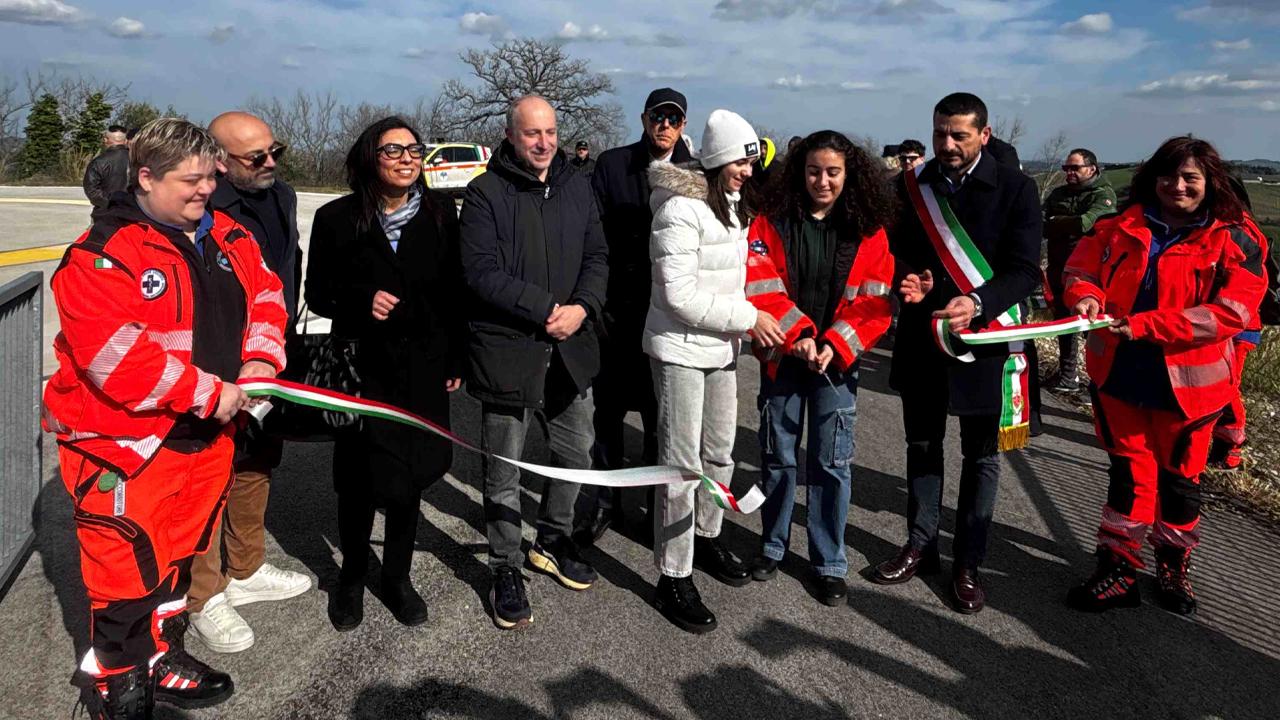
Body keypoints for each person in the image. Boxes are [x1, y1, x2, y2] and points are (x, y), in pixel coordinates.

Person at [44, 118, 288, 718]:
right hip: (126, 448)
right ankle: (116, 682)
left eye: (212, 176)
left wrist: (258, 365)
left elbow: (268, 298)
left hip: (203, 443)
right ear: (145, 177)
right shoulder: (102, 256)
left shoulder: (229, 236)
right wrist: (213, 394)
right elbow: (117, 359)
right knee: (124, 574)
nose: (206, 189)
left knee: (175, 564)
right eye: (191, 179)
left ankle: (157, 655)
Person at [1063, 136, 1267, 616]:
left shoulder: (1238, 238)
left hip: (1192, 387)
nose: (1177, 186)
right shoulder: (1117, 227)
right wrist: (1085, 296)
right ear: (1151, 180)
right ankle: (1117, 568)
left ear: (1210, 182)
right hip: (1119, 372)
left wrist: (1144, 325)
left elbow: (1230, 314)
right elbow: (1077, 269)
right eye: (1168, 176)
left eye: (1190, 178)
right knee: (1129, 476)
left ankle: (1173, 563)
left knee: (1179, 481)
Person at [871, 93, 1042, 615]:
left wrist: (977, 301)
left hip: (987, 342)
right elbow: (896, 251)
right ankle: (921, 545)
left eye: (959, 136)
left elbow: (1024, 270)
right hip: (926, 338)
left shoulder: (1016, 188)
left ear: (983, 136)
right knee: (922, 446)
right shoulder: (911, 188)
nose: (946, 144)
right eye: (940, 133)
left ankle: (968, 561)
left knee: (982, 457)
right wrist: (913, 280)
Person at [306, 117, 465, 631]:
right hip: (362, 370)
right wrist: (359, 299)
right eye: (392, 150)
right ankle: (350, 578)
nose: (406, 159)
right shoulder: (336, 218)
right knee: (356, 481)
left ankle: (397, 576)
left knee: (411, 477)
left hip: (422, 368)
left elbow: (456, 295)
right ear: (368, 158)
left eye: (414, 150)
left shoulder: (442, 215)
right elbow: (316, 294)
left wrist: (457, 358)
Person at [459, 96, 608, 630]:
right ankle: (504, 565)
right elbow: (479, 273)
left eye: (550, 132)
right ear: (510, 136)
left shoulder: (577, 185)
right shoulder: (484, 194)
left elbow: (597, 257)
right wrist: (545, 308)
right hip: (509, 352)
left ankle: (551, 539)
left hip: (570, 349)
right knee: (504, 471)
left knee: (574, 455)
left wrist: (583, 308)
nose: (543, 143)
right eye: (531, 134)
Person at [744, 130, 896, 605]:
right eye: (814, 171)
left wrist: (832, 343)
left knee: (831, 464)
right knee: (778, 456)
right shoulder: (771, 222)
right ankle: (772, 545)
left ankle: (828, 560)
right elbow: (760, 286)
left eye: (833, 172)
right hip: (784, 359)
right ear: (799, 172)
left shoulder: (868, 230)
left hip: (837, 363)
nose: (822, 181)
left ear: (850, 176)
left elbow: (874, 303)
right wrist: (801, 337)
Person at [645, 109, 782, 633]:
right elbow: (678, 295)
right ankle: (672, 574)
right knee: (681, 466)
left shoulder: (735, 206)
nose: (748, 171)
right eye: (740, 162)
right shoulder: (680, 208)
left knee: (720, 452)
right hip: (681, 350)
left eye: (750, 162)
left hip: (723, 348)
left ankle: (707, 536)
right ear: (718, 159)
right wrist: (751, 319)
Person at [184, 111, 310, 653]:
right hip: (214, 362)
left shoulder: (280, 196)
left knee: (258, 461)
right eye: (255, 157)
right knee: (205, 476)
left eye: (274, 150)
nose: (271, 164)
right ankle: (203, 595)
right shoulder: (200, 208)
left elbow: (285, 270)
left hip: (269, 354)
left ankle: (246, 565)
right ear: (218, 160)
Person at [580, 88, 694, 544]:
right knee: (607, 412)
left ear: (683, 125)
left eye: (673, 118)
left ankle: (653, 504)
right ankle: (606, 501)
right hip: (618, 307)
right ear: (644, 118)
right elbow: (593, 234)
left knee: (659, 416)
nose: (664, 125)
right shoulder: (612, 164)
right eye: (657, 117)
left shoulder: (697, 171)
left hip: (670, 310)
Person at [1042, 148, 1117, 393]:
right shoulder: (1058, 194)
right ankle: (1068, 375)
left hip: (1088, 275)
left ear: (1092, 169)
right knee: (1063, 321)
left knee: (1091, 327)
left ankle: (1099, 382)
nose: (1069, 173)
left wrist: (1055, 222)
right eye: (1067, 169)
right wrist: (1063, 224)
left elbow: (1087, 224)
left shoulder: (1103, 195)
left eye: (1075, 168)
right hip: (1059, 266)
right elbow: (1039, 224)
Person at [83, 125, 129, 219]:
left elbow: (91, 190)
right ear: (125, 141)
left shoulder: (98, 162)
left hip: (105, 215)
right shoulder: (139, 160)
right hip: (132, 213)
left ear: (105, 140)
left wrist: (110, 203)